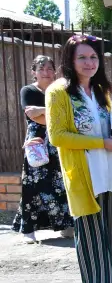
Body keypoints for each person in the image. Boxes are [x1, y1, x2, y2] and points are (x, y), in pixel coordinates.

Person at [46, 35, 112, 283]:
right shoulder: (59, 92)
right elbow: (58, 136)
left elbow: (106, 129)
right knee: (92, 238)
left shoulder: (101, 90)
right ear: (69, 60)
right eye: (82, 57)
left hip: (109, 173)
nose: (89, 62)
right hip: (85, 176)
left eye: (93, 57)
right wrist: (101, 143)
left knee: (110, 235)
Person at [14, 55, 73, 243]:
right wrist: (49, 114)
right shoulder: (28, 90)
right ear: (34, 72)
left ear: (55, 71)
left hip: (58, 140)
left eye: (49, 68)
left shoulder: (60, 90)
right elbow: (34, 117)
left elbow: (66, 116)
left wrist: (41, 111)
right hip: (37, 143)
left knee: (60, 183)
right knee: (33, 185)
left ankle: (64, 225)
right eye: (41, 69)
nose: (46, 72)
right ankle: (28, 230)